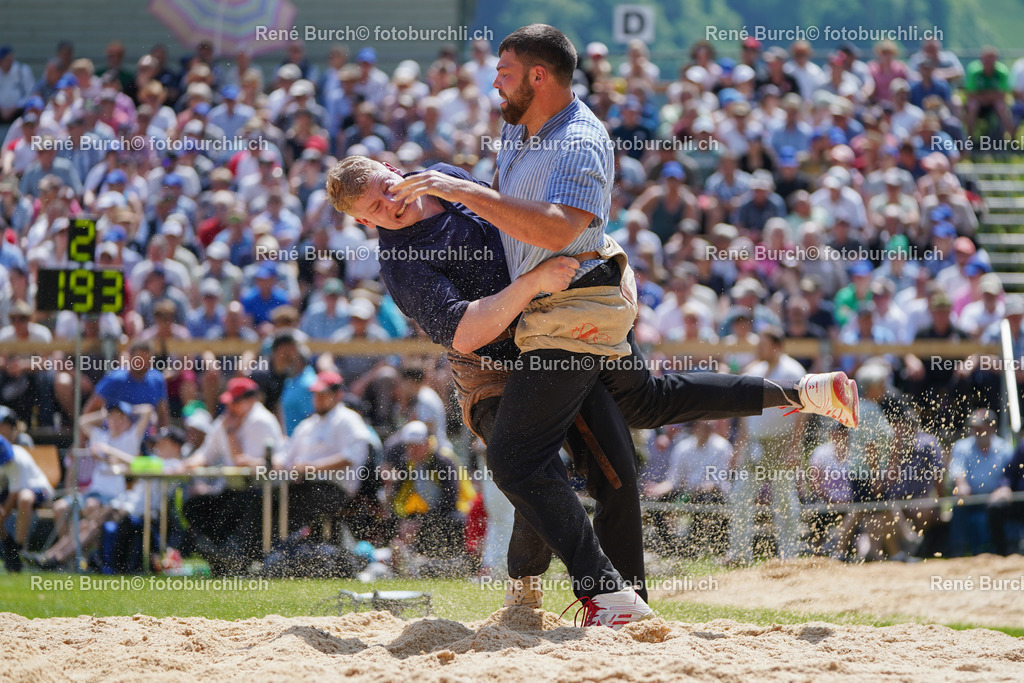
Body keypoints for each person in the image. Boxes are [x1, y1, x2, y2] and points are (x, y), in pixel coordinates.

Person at [334, 30, 858, 624]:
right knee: (624, 421)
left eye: (386, 189)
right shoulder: (414, 242)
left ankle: (607, 600)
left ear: (392, 169)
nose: (389, 205)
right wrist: (533, 281)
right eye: (373, 210)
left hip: (562, 318)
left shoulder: (496, 163)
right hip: (501, 358)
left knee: (553, 465)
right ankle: (578, 593)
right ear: (360, 220)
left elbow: (549, 228)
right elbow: (465, 331)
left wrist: (548, 252)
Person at [279, 371, 375, 540]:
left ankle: (290, 545)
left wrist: (311, 469)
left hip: (334, 489)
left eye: (324, 394)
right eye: (316, 394)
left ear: (338, 395)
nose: (318, 398)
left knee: (291, 498)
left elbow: (351, 458)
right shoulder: (307, 425)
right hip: (303, 484)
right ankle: (269, 549)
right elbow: (286, 459)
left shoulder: (348, 419)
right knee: (262, 496)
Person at [0, 433, 53, 571]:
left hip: (37, 489)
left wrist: (2, 517)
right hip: (10, 490)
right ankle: (9, 546)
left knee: (24, 498)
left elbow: (14, 496)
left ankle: (18, 548)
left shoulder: (17, 460)